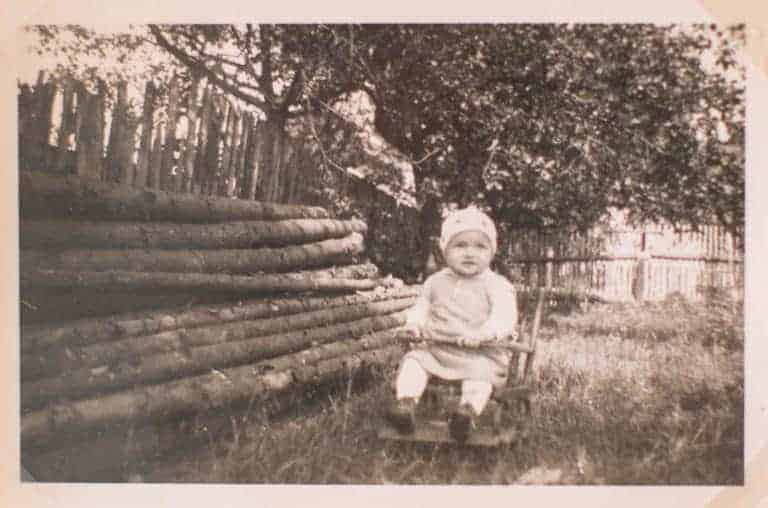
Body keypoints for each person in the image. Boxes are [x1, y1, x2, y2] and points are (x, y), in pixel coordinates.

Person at [386, 207, 518, 442]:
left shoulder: (497, 285)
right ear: (445, 250)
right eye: (460, 245)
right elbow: (421, 308)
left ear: (492, 252)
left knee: (480, 377)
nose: (470, 253)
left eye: (480, 246)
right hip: (438, 349)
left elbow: (504, 317)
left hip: (480, 353)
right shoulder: (435, 282)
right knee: (414, 361)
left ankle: (466, 412)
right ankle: (405, 404)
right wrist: (414, 325)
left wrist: (485, 334)